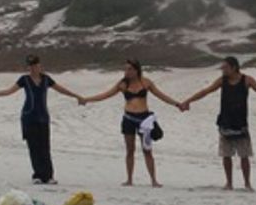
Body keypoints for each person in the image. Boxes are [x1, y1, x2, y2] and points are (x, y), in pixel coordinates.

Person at [179, 57, 256, 191]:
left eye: (225, 67)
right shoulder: (222, 81)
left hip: (241, 123)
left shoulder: (247, 80)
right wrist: (188, 101)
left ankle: (247, 183)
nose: (222, 70)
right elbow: (205, 91)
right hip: (225, 122)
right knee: (226, 155)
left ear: (234, 67)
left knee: (244, 156)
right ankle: (229, 183)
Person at [78, 59, 187, 187]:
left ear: (136, 70)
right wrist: (87, 99)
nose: (127, 72)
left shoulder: (146, 82)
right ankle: (129, 179)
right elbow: (106, 95)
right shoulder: (122, 84)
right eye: (126, 69)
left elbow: (161, 95)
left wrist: (177, 104)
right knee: (130, 150)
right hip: (129, 118)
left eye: (130, 69)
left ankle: (154, 180)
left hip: (144, 120)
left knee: (147, 151)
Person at [0, 55, 82, 184]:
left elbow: (61, 89)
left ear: (40, 66)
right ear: (28, 67)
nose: (33, 68)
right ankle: (37, 174)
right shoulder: (24, 79)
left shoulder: (46, 79)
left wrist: (76, 96)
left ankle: (48, 176)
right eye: (31, 66)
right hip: (29, 117)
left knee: (45, 147)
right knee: (34, 147)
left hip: (43, 117)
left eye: (35, 65)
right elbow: (9, 91)